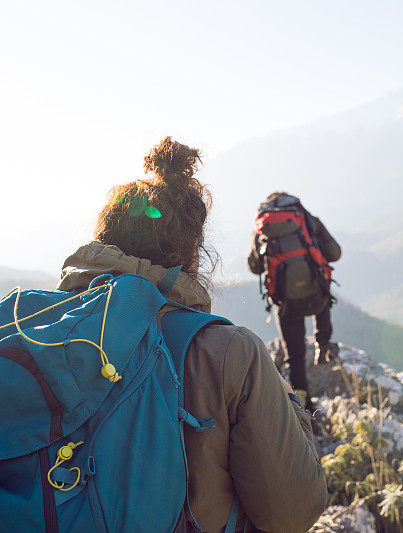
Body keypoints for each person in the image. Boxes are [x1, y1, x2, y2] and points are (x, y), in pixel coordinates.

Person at [56, 138, 327, 532]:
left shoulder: (34, 332)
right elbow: (295, 513)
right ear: (191, 254)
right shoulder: (229, 353)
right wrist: (291, 409)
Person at [246, 192, 341, 413]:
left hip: (287, 304)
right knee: (323, 288)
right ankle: (323, 344)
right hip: (317, 299)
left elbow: (255, 268)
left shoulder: (262, 229)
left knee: (295, 360)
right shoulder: (308, 220)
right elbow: (335, 254)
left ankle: (305, 411)